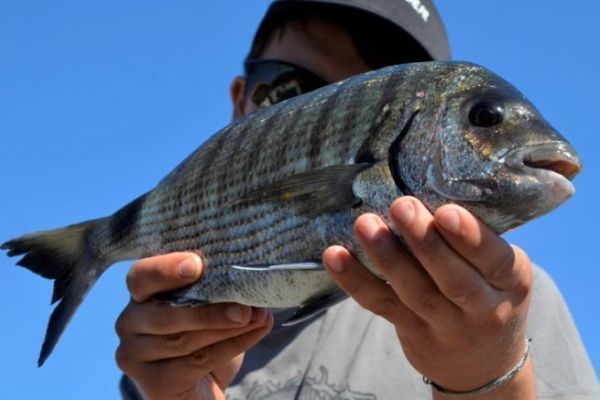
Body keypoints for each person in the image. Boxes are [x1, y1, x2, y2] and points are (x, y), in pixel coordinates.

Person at [116, 1, 599, 399]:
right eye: (288, 90)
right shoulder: (171, 343)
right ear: (241, 98)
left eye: (372, 101)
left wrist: (489, 379)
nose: (318, 111)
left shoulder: (513, 314)